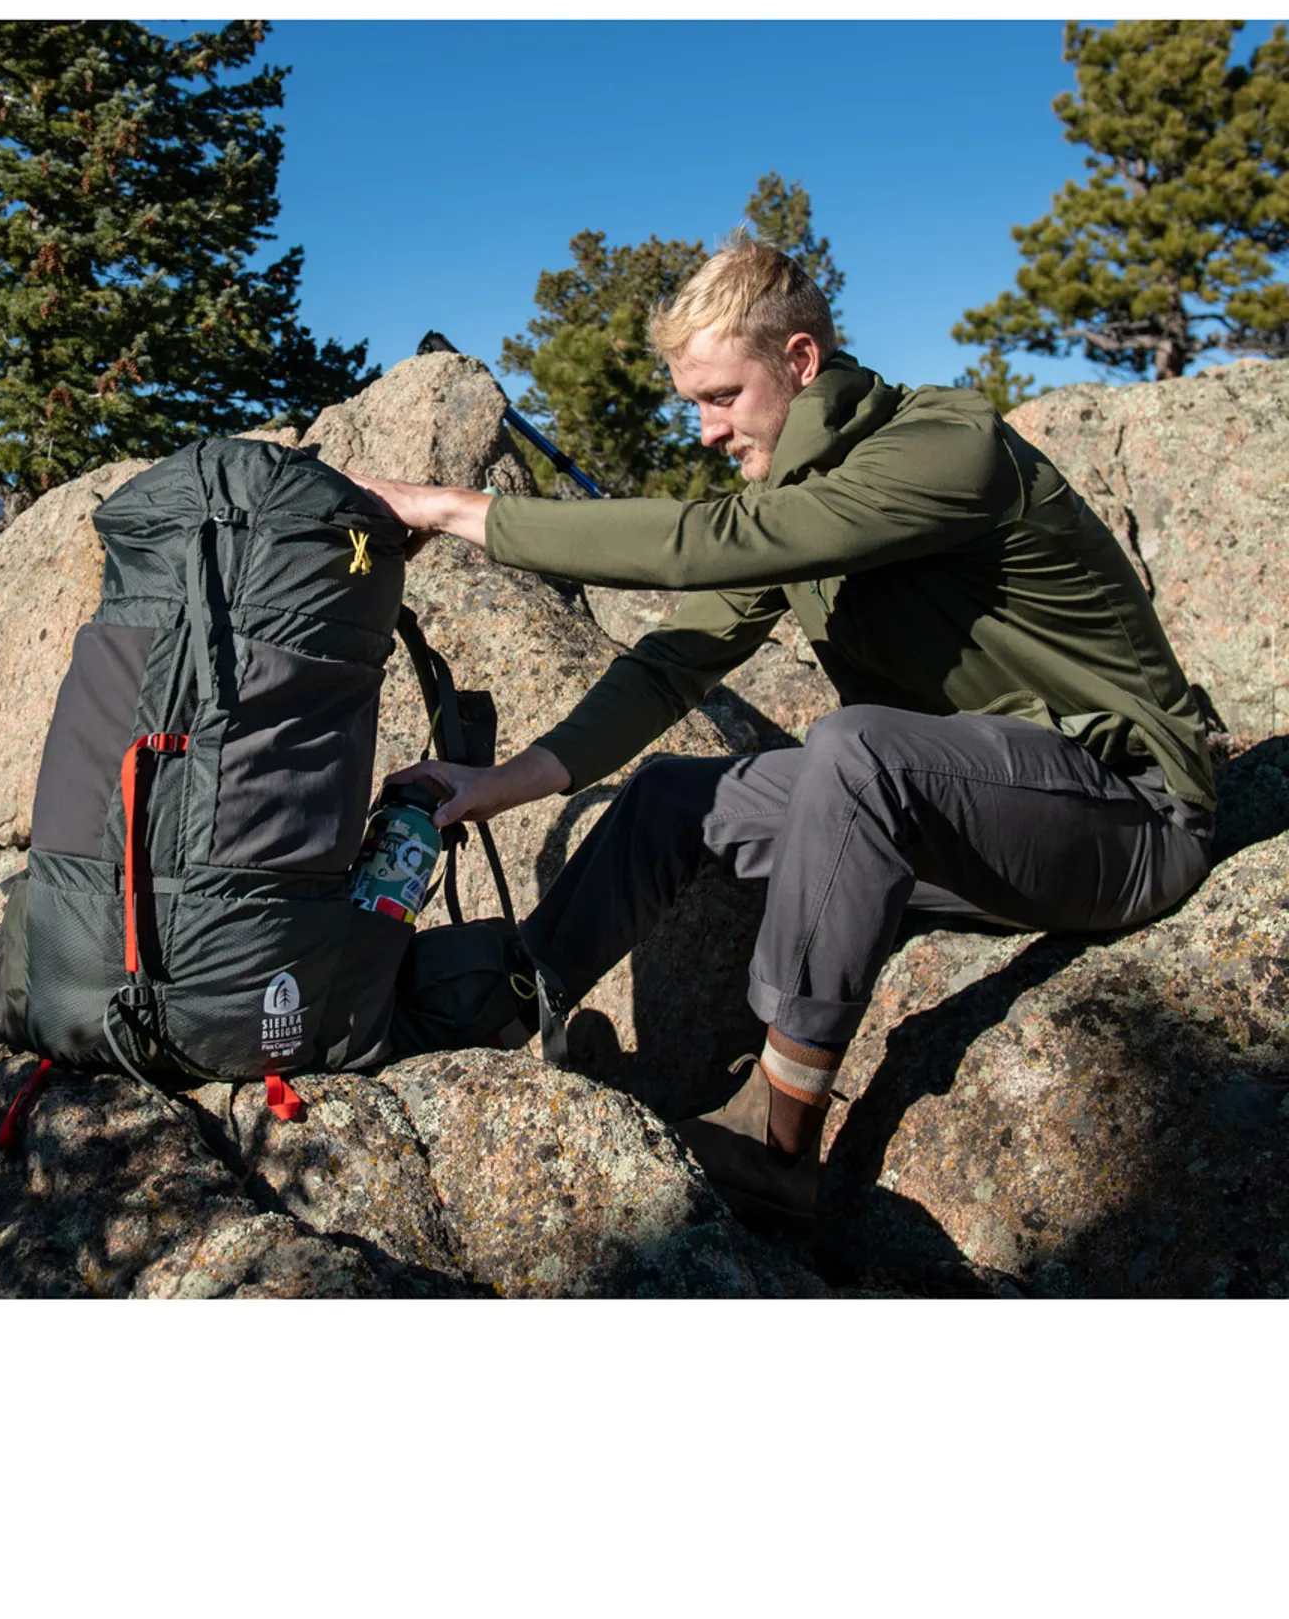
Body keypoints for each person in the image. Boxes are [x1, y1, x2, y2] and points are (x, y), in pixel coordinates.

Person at [351, 231, 1215, 1226]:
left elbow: (716, 542)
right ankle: (497, 1003)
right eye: (695, 405)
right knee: (671, 796)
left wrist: (447, 508)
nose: (707, 432)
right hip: (968, 817)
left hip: (1130, 817)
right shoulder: (799, 503)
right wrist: (495, 786)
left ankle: (777, 1134)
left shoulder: (947, 447)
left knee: (856, 749)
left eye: (723, 396)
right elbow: (671, 664)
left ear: (800, 361)